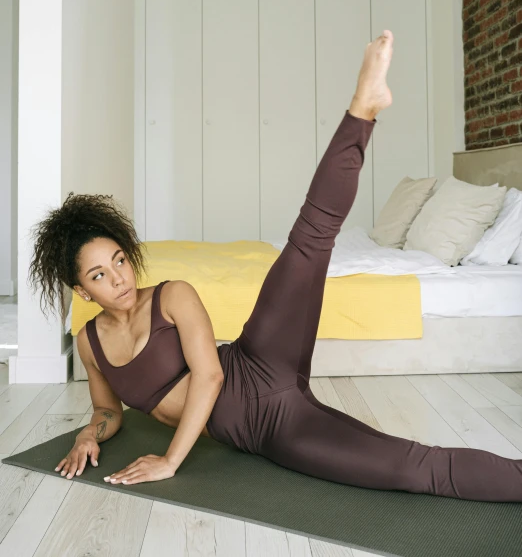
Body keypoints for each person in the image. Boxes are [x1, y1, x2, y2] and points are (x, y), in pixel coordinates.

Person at [29, 30, 522, 502]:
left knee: (308, 239)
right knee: (410, 468)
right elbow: (106, 410)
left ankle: (363, 110)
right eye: (99, 275)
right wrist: (88, 437)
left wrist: (170, 460)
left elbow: (211, 378)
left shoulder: (171, 295)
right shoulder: (90, 343)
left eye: (118, 259)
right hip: (272, 429)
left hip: (258, 360)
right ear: (81, 290)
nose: (118, 277)